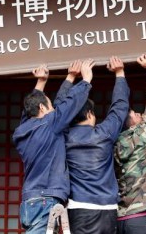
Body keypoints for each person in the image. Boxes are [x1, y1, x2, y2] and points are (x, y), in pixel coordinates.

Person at [12, 59, 94, 234]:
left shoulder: (21, 131)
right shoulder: (50, 124)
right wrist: (85, 81)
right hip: (45, 200)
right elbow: (69, 105)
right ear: (42, 108)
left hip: (30, 200)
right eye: (50, 107)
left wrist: (45, 81)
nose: (53, 110)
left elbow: (30, 109)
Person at [64, 56, 129, 234]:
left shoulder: (64, 136)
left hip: (78, 206)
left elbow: (60, 107)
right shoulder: (103, 133)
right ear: (90, 114)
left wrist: (71, 78)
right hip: (106, 207)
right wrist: (120, 73)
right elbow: (119, 108)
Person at [114, 52, 146, 234]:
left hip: (120, 218)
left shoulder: (113, 143)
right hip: (143, 214)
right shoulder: (144, 133)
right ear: (132, 123)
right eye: (136, 114)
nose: (140, 115)